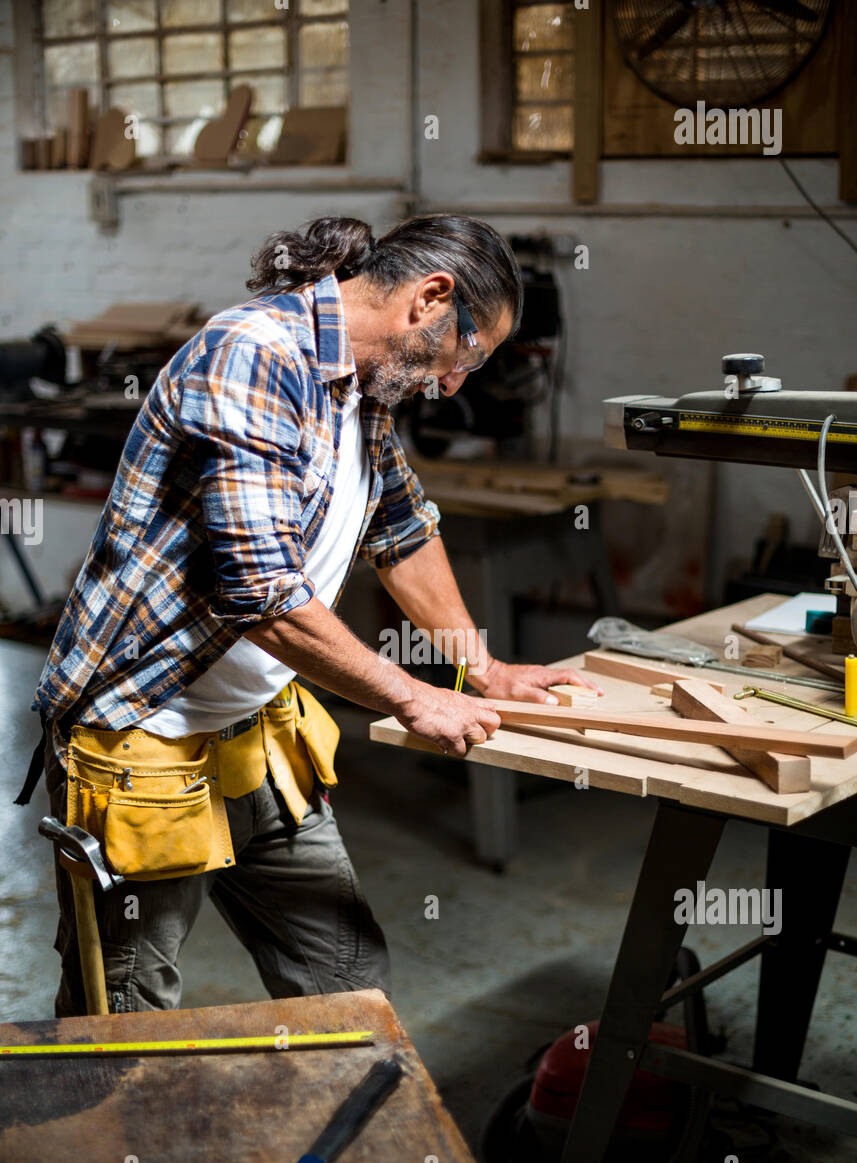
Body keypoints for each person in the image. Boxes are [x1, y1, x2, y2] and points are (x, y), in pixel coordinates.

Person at [21, 213, 597, 1016]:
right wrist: (412, 694)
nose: (455, 382)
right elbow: (259, 593)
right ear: (430, 299)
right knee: (125, 1016)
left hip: (256, 729)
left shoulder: (363, 385)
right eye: (468, 353)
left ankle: (337, 1138)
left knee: (345, 983)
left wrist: (481, 667)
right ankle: (104, 1145)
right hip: (143, 731)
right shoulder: (253, 356)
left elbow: (401, 531)